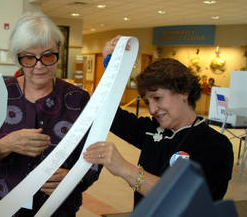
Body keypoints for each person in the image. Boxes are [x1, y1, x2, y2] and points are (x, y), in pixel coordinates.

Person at [0, 12, 102, 216]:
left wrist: (74, 177)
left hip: (57, 208)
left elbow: (95, 156)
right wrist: (5, 145)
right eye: (29, 57)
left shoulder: (77, 99)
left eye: (48, 56)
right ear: (18, 57)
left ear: (59, 51)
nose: (39, 66)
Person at [83, 36, 233, 206]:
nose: (153, 109)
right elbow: (106, 111)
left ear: (183, 92)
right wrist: (112, 65)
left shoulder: (215, 145)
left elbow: (184, 199)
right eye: (148, 102)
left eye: (158, 98)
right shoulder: (153, 131)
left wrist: (126, 169)